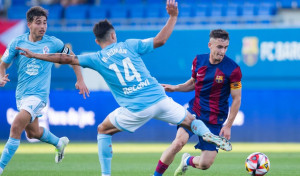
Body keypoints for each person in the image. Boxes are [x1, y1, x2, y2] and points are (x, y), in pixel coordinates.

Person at [16, 1, 232, 175]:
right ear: (113, 35)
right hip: (159, 97)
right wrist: (173, 16)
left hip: (137, 107)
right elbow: (160, 40)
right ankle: (208, 135)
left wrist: (36, 54)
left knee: (103, 129)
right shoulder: (129, 45)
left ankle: (106, 175)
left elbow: (65, 58)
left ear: (96, 40)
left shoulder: (96, 57)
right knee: (191, 121)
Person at [0, 6, 89, 175]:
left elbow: (72, 58)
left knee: (16, 125)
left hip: (38, 96)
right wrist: (1, 76)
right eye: (38, 23)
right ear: (29, 24)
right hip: (22, 95)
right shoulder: (17, 42)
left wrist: (80, 79)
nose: (43, 26)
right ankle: (59, 142)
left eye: (45, 23)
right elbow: (3, 64)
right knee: (33, 133)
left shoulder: (53, 42)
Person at [154, 29, 242, 176]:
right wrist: (175, 88)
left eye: (226, 47)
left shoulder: (233, 69)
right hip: (195, 112)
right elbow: (194, 83)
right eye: (219, 47)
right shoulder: (198, 61)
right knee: (178, 142)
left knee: (205, 164)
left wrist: (228, 125)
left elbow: (237, 99)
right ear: (210, 45)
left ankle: (187, 161)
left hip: (215, 119)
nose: (222, 51)